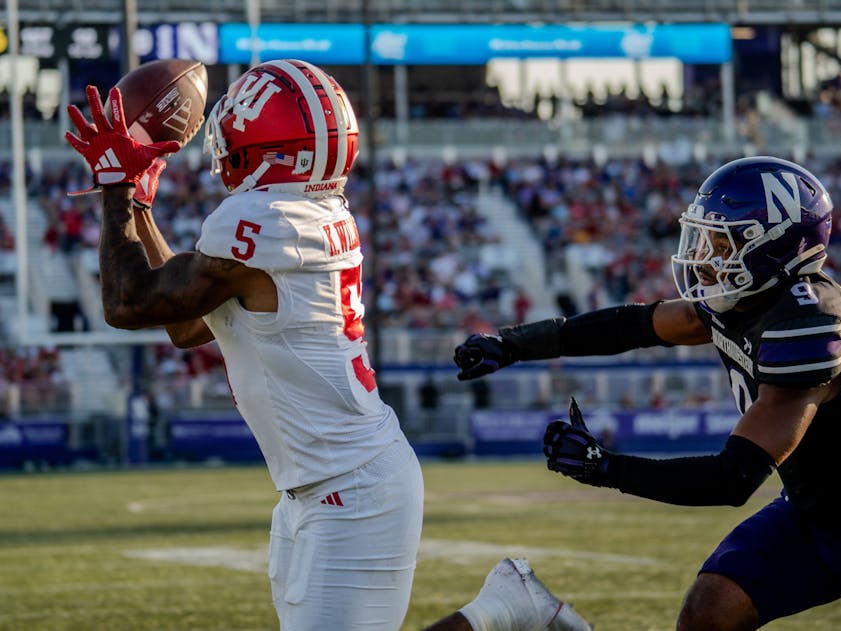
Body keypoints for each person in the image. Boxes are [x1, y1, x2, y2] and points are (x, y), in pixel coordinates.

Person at [65, 59, 589, 631]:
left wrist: (117, 189)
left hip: (352, 487)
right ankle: (504, 607)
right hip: (320, 487)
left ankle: (506, 610)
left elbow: (127, 305)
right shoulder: (302, 211)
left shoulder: (265, 221)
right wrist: (137, 205)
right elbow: (184, 325)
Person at [454, 156, 841, 630]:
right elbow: (633, 326)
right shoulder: (739, 301)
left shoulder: (808, 322)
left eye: (722, 240)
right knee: (711, 610)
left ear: (772, 244)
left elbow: (732, 477)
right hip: (810, 513)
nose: (705, 254)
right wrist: (513, 343)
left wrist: (606, 467)